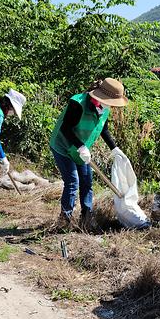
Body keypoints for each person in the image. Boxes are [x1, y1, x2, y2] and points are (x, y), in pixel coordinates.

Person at [49, 77, 128, 226]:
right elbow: (65, 128)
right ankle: (64, 220)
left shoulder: (104, 108)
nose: (111, 106)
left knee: (87, 181)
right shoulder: (78, 103)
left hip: (81, 149)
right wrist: (81, 146)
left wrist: (114, 148)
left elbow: (103, 129)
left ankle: (86, 217)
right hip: (63, 146)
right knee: (73, 182)